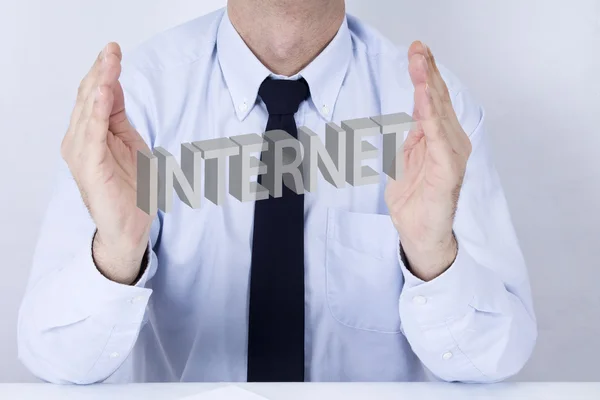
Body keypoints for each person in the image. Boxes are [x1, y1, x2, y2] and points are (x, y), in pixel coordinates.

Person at [18, 0, 537, 384]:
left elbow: (494, 359)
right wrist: (117, 253)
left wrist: (431, 258)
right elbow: (57, 361)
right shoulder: (135, 102)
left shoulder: (430, 113)